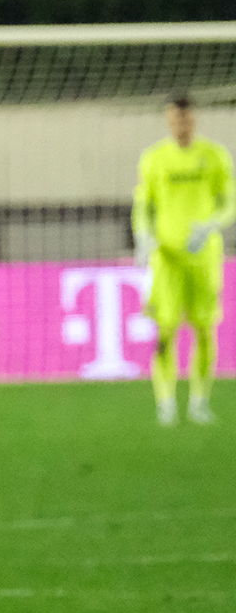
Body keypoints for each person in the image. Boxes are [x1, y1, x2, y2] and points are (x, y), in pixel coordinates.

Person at [133, 94, 232, 426]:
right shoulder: (154, 158)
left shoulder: (214, 156)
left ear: (195, 119)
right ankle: (165, 402)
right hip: (167, 258)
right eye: (175, 119)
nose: (181, 125)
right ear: (167, 120)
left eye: (186, 119)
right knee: (166, 330)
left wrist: (211, 225)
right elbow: (143, 204)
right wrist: (143, 236)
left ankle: (200, 401)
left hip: (204, 257)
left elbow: (229, 201)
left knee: (205, 330)